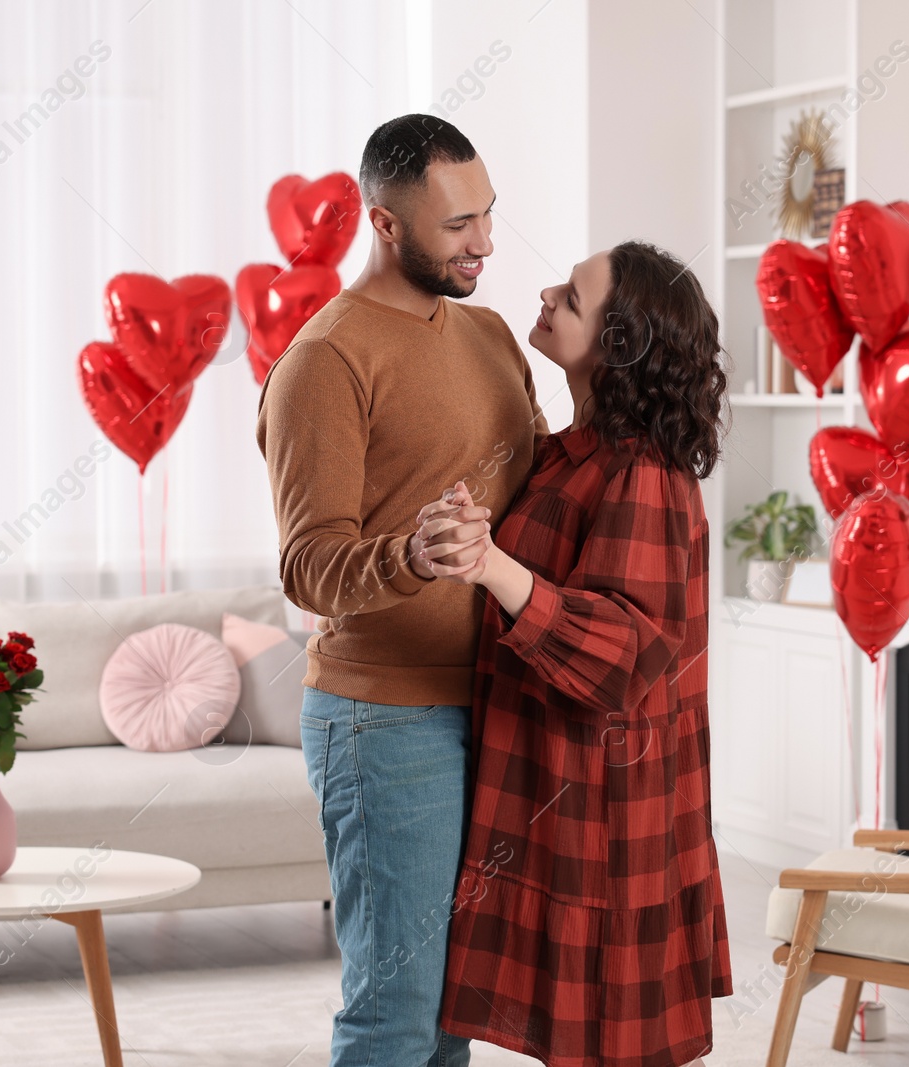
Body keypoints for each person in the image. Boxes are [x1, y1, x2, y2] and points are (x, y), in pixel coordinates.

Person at [255, 113, 548, 1066]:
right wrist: (411, 556)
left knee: (452, 1009)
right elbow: (307, 563)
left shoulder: (492, 333)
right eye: (458, 225)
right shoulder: (326, 360)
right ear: (386, 226)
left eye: (489, 215)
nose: (486, 243)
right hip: (383, 721)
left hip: (494, 702)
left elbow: (537, 488)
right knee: (396, 1009)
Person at [413, 241, 734, 1066]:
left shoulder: (646, 473)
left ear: (618, 342)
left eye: (576, 296)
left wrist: (492, 566)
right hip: (557, 790)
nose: (550, 293)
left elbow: (624, 650)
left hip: (607, 810)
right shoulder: (567, 452)